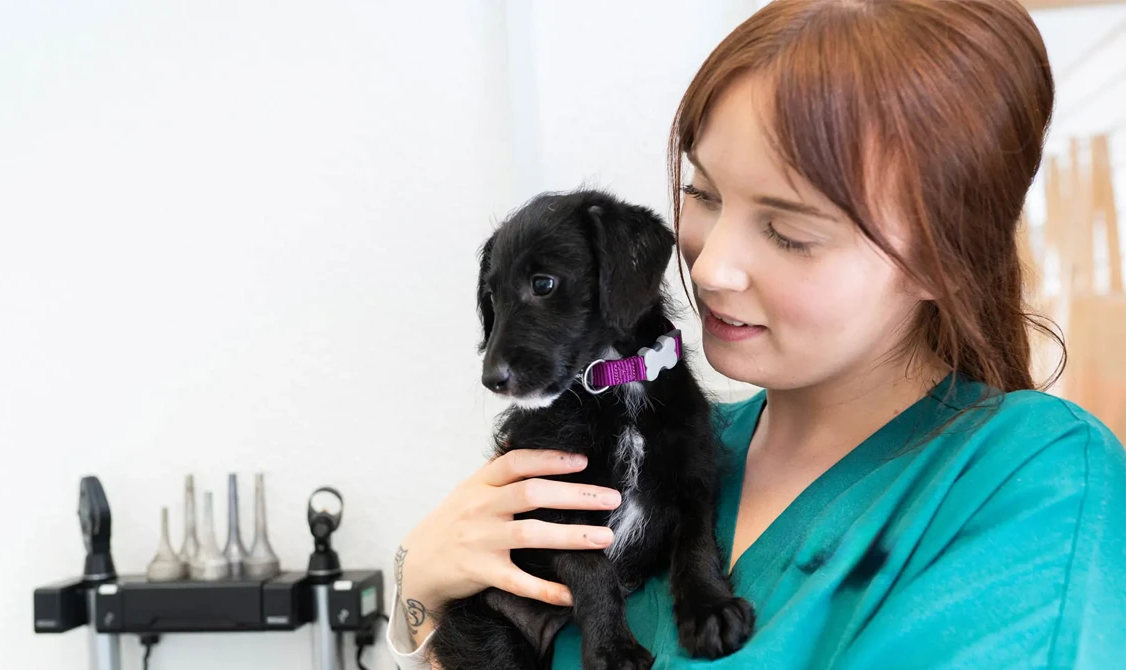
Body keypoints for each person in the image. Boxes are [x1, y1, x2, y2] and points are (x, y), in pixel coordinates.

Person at [386, 0, 1126, 667]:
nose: (711, 268)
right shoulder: (662, 445)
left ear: (942, 258)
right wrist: (417, 597)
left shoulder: (1031, 479)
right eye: (702, 194)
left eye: (788, 231)